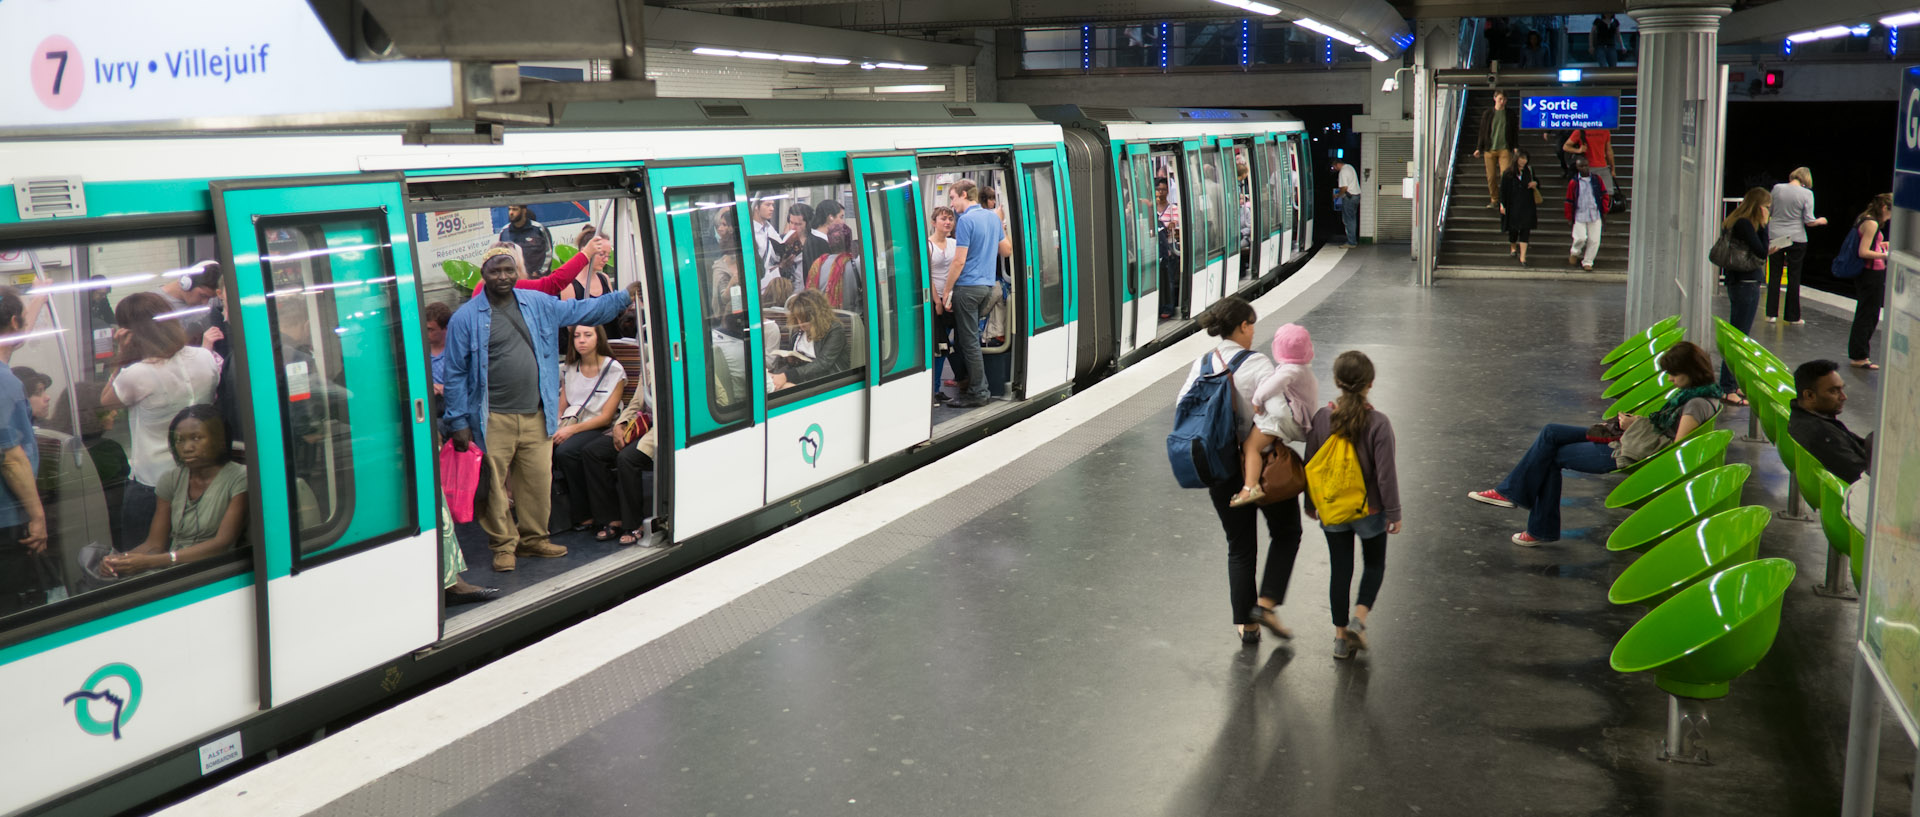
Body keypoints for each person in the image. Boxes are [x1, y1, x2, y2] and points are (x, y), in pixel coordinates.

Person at [443, 245, 632, 573]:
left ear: (516, 272)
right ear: (483, 275)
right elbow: (455, 373)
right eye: (495, 271)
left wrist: (623, 296)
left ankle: (534, 540)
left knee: (536, 483)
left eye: (508, 270)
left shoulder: (539, 304)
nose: (502, 276)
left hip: (536, 413)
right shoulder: (465, 318)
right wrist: (458, 420)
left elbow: (583, 310)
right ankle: (504, 546)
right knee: (494, 488)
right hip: (492, 418)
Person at [1470, 341, 1721, 545]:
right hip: (1631, 440)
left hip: (1626, 453)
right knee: (1550, 433)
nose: (1670, 380)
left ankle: (1527, 514)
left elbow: (1677, 450)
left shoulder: (1695, 404)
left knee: (1550, 454)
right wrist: (1637, 424)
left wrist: (1637, 427)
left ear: (1690, 372)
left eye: (1674, 375)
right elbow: (1668, 431)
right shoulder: (1702, 395)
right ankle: (1516, 501)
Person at [1178, 297, 1301, 645]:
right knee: (1287, 532)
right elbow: (1279, 416)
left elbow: (1183, 408)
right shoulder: (1258, 364)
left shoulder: (1202, 363)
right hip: (1265, 467)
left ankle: (1247, 625)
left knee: (1240, 546)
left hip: (1219, 467)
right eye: (1253, 325)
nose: (1254, 331)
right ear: (1244, 326)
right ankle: (1266, 602)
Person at [100, 292, 220, 552]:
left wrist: (123, 353)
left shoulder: (138, 374)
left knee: (145, 561)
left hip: (153, 486)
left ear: (131, 332)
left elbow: (107, 402)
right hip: (202, 478)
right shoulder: (204, 357)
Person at [1303, 350, 1401, 660]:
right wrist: (1394, 512)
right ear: (1370, 383)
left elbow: (1311, 465)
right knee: (1374, 564)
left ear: (1336, 381)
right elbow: (1385, 475)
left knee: (1340, 570)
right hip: (1369, 510)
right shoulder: (1378, 423)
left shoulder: (1322, 417)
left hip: (1332, 508)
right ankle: (1359, 620)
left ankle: (1340, 638)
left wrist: (1310, 503)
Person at [99, 405, 245, 577]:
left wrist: (155, 561)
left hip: (215, 573)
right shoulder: (171, 479)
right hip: (173, 569)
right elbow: (155, 544)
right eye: (179, 440)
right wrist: (120, 561)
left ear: (220, 440)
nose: (187, 447)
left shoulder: (240, 477)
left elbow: (222, 543)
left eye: (196, 438)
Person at [938, 180, 1012, 409]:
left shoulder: (967, 220)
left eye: (952, 198)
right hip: (987, 288)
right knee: (963, 337)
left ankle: (979, 392)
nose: (952, 204)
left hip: (968, 288)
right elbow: (1006, 250)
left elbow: (959, 260)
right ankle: (969, 383)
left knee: (968, 341)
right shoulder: (992, 217)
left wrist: (947, 290)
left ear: (963, 195)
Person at [552, 324, 628, 540]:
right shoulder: (568, 368)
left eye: (587, 335)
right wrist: (559, 427)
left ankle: (591, 513)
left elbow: (605, 416)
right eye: (577, 336)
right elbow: (563, 405)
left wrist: (571, 430)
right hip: (572, 423)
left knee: (570, 451)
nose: (581, 340)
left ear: (598, 338)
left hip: (601, 426)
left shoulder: (613, 369)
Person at [1229, 324, 1317, 507]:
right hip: (1301, 419)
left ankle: (1250, 487)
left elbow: (1271, 386)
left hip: (1290, 418)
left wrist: (1257, 400)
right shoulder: (1305, 370)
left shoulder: (1290, 370)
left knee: (1250, 446)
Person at [0, 289, 47, 615]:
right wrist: (38, 516)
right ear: (14, 321)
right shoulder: (4, 382)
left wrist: (39, 297)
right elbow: (10, 458)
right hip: (7, 517)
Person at [1717, 188, 1771, 401]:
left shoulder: (1738, 222)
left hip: (1741, 282)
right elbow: (1761, 251)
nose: (1768, 211)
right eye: (1766, 207)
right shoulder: (1745, 224)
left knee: (1740, 337)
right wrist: (1765, 227)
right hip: (1745, 283)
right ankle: (1727, 387)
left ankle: (1732, 384)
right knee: (1738, 338)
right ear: (1758, 206)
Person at [589, 385, 657, 547]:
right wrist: (620, 424)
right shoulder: (647, 365)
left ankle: (634, 523)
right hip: (641, 424)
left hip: (661, 428)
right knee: (593, 452)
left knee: (627, 458)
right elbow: (636, 403)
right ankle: (612, 518)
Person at [1788, 359, 1873, 483]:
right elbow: (1860, 475)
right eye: (1833, 391)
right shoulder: (1821, 434)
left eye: (1842, 389)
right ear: (1809, 395)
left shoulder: (1803, 417)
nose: (1844, 397)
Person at [1767, 167, 1827, 325]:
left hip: (1776, 236)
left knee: (1774, 274)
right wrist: (1821, 220)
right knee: (1794, 277)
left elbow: (1770, 211)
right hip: (1796, 238)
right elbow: (1809, 220)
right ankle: (1793, 316)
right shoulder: (1807, 194)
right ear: (1806, 179)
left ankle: (1771, 314)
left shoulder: (1777, 189)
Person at [1847, 193, 1892, 370]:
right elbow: (1863, 252)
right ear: (1884, 208)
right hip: (1871, 273)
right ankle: (1859, 356)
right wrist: (1885, 255)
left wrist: (1882, 245)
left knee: (1867, 313)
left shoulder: (1864, 218)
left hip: (1870, 273)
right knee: (1868, 314)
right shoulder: (1872, 223)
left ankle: (1859, 354)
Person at [772, 290, 851, 390]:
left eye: (805, 319)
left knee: (781, 388)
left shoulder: (834, 330)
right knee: (772, 383)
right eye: (798, 319)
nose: (800, 324)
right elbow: (790, 362)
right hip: (802, 377)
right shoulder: (798, 331)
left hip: (826, 379)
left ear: (816, 318)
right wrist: (790, 360)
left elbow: (823, 363)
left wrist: (787, 375)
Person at [927, 205, 963, 402]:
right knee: (940, 346)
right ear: (934, 222)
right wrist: (937, 301)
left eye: (950, 219)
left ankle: (961, 379)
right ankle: (934, 390)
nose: (948, 222)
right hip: (937, 300)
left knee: (955, 344)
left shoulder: (955, 243)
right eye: (943, 219)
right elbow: (928, 276)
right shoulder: (928, 245)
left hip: (953, 300)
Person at [1473, 90, 1520, 210]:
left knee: (1505, 175)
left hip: (1504, 148)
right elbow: (1483, 131)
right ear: (1495, 98)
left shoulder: (1510, 114)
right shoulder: (1488, 114)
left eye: (1504, 99)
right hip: (1490, 149)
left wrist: (1515, 146)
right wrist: (1479, 148)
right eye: (1500, 99)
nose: (1502, 102)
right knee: (1491, 176)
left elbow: (1514, 131)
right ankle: (1494, 199)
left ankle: (1505, 199)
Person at [153, 262, 221, 344]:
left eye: (210, 298)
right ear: (186, 283)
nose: (205, 303)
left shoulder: (213, 300)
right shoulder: (153, 304)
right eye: (203, 296)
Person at [1564, 156, 1610, 271]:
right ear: (1577, 167)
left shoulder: (1596, 179)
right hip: (1580, 214)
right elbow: (1569, 200)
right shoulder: (1574, 182)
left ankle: (1588, 262)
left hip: (1594, 213)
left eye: (1585, 165)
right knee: (1580, 238)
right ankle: (1575, 252)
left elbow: (1604, 194)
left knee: (1594, 240)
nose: (1584, 168)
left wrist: (1604, 210)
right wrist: (1569, 217)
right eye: (1581, 166)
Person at [806, 222, 863, 311]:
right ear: (849, 242)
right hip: (849, 320)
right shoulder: (857, 265)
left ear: (829, 242)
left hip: (821, 320)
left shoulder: (818, 265)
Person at [1562, 128, 1619, 211]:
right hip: (1588, 168)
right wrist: (1578, 150)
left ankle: (1601, 216)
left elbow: (1608, 150)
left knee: (1607, 195)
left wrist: (1612, 168)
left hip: (1603, 166)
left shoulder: (1605, 131)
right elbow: (1566, 146)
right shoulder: (1580, 131)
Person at [1500, 152, 1541, 265]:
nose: (1524, 161)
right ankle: (1513, 246)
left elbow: (1537, 182)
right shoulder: (1508, 173)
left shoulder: (1529, 171)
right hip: (1512, 205)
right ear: (1516, 159)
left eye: (1525, 158)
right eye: (1521, 158)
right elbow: (1503, 190)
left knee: (1525, 229)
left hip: (1527, 204)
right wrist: (1502, 204)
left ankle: (1523, 256)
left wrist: (1535, 183)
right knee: (1513, 229)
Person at [498, 204, 555, 276]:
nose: (511, 212)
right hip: (514, 280)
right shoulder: (504, 232)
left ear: (524, 210)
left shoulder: (539, 229)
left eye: (515, 209)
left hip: (537, 280)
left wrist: (540, 272)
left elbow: (548, 252)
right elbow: (500, 256)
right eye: (509, 209)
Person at [1156, 177, 1183, 319]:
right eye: (1158, 189)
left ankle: (1168, 307)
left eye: (1164, 189)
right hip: (1155, 249)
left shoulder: (1173, 209)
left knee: (1169, 279)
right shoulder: (1150, 209)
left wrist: (1174, 226)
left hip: (1169, 249)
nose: (1161, 192)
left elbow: (1179, 231)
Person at [1331, 158, 1361, 249]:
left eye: (1334, 167)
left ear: (1337, 164)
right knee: (1352, 219)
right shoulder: (1350, 167)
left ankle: (1351, 242)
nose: (1334, 169)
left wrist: (1337, 195)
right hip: (1356, 196)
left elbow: (1344, 188)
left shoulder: (1343, 172)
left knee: (1348, 220)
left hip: (1349, 197)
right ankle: (1352, 240)